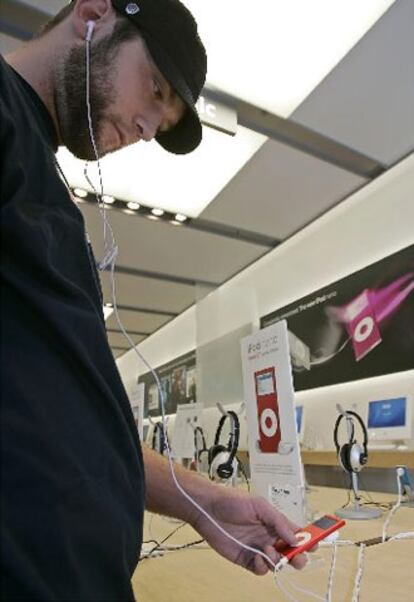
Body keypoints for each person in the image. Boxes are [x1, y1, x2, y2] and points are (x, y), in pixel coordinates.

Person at [0, 1, 309, 600]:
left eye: (161, 123)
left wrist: (203, 502)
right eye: (155, 88)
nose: (146, 127)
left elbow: (63, 421)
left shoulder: (47, 191)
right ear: (94, 12)